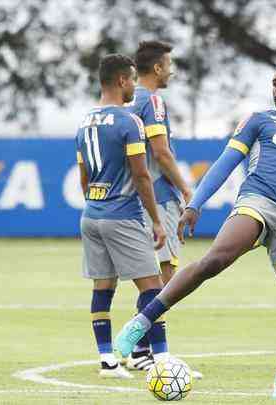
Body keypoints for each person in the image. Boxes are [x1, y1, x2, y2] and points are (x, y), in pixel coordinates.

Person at [115, 65, 276, 399]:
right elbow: (226, 162)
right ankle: (143, 321)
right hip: (257, 201)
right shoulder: (259, 120)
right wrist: (195, 203)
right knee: (215, 260)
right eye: (274, 83)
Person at [75, 54, 168, 379]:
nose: (133, 85)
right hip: (122, 215)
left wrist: (95, 201)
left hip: (92, 214)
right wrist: (156, 220)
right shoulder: (130, 122)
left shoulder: (85, 121)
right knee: (154, 287)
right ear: (120, 81)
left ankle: (107, 361)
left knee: (104, 286)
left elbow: (83, 176)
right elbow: (142, 176)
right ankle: (163, 361)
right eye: (130, 80)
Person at [122, 40, 194, 371]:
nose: (172, 70)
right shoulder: (152, 101)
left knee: (153, 276)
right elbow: (161, 152)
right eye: (168, 64)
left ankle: (140, 350)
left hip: (133, 200)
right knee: (162, 280)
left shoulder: (125, 102)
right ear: (157, 69)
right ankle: (151, 353)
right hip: (160, 197)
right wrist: (186, 189)